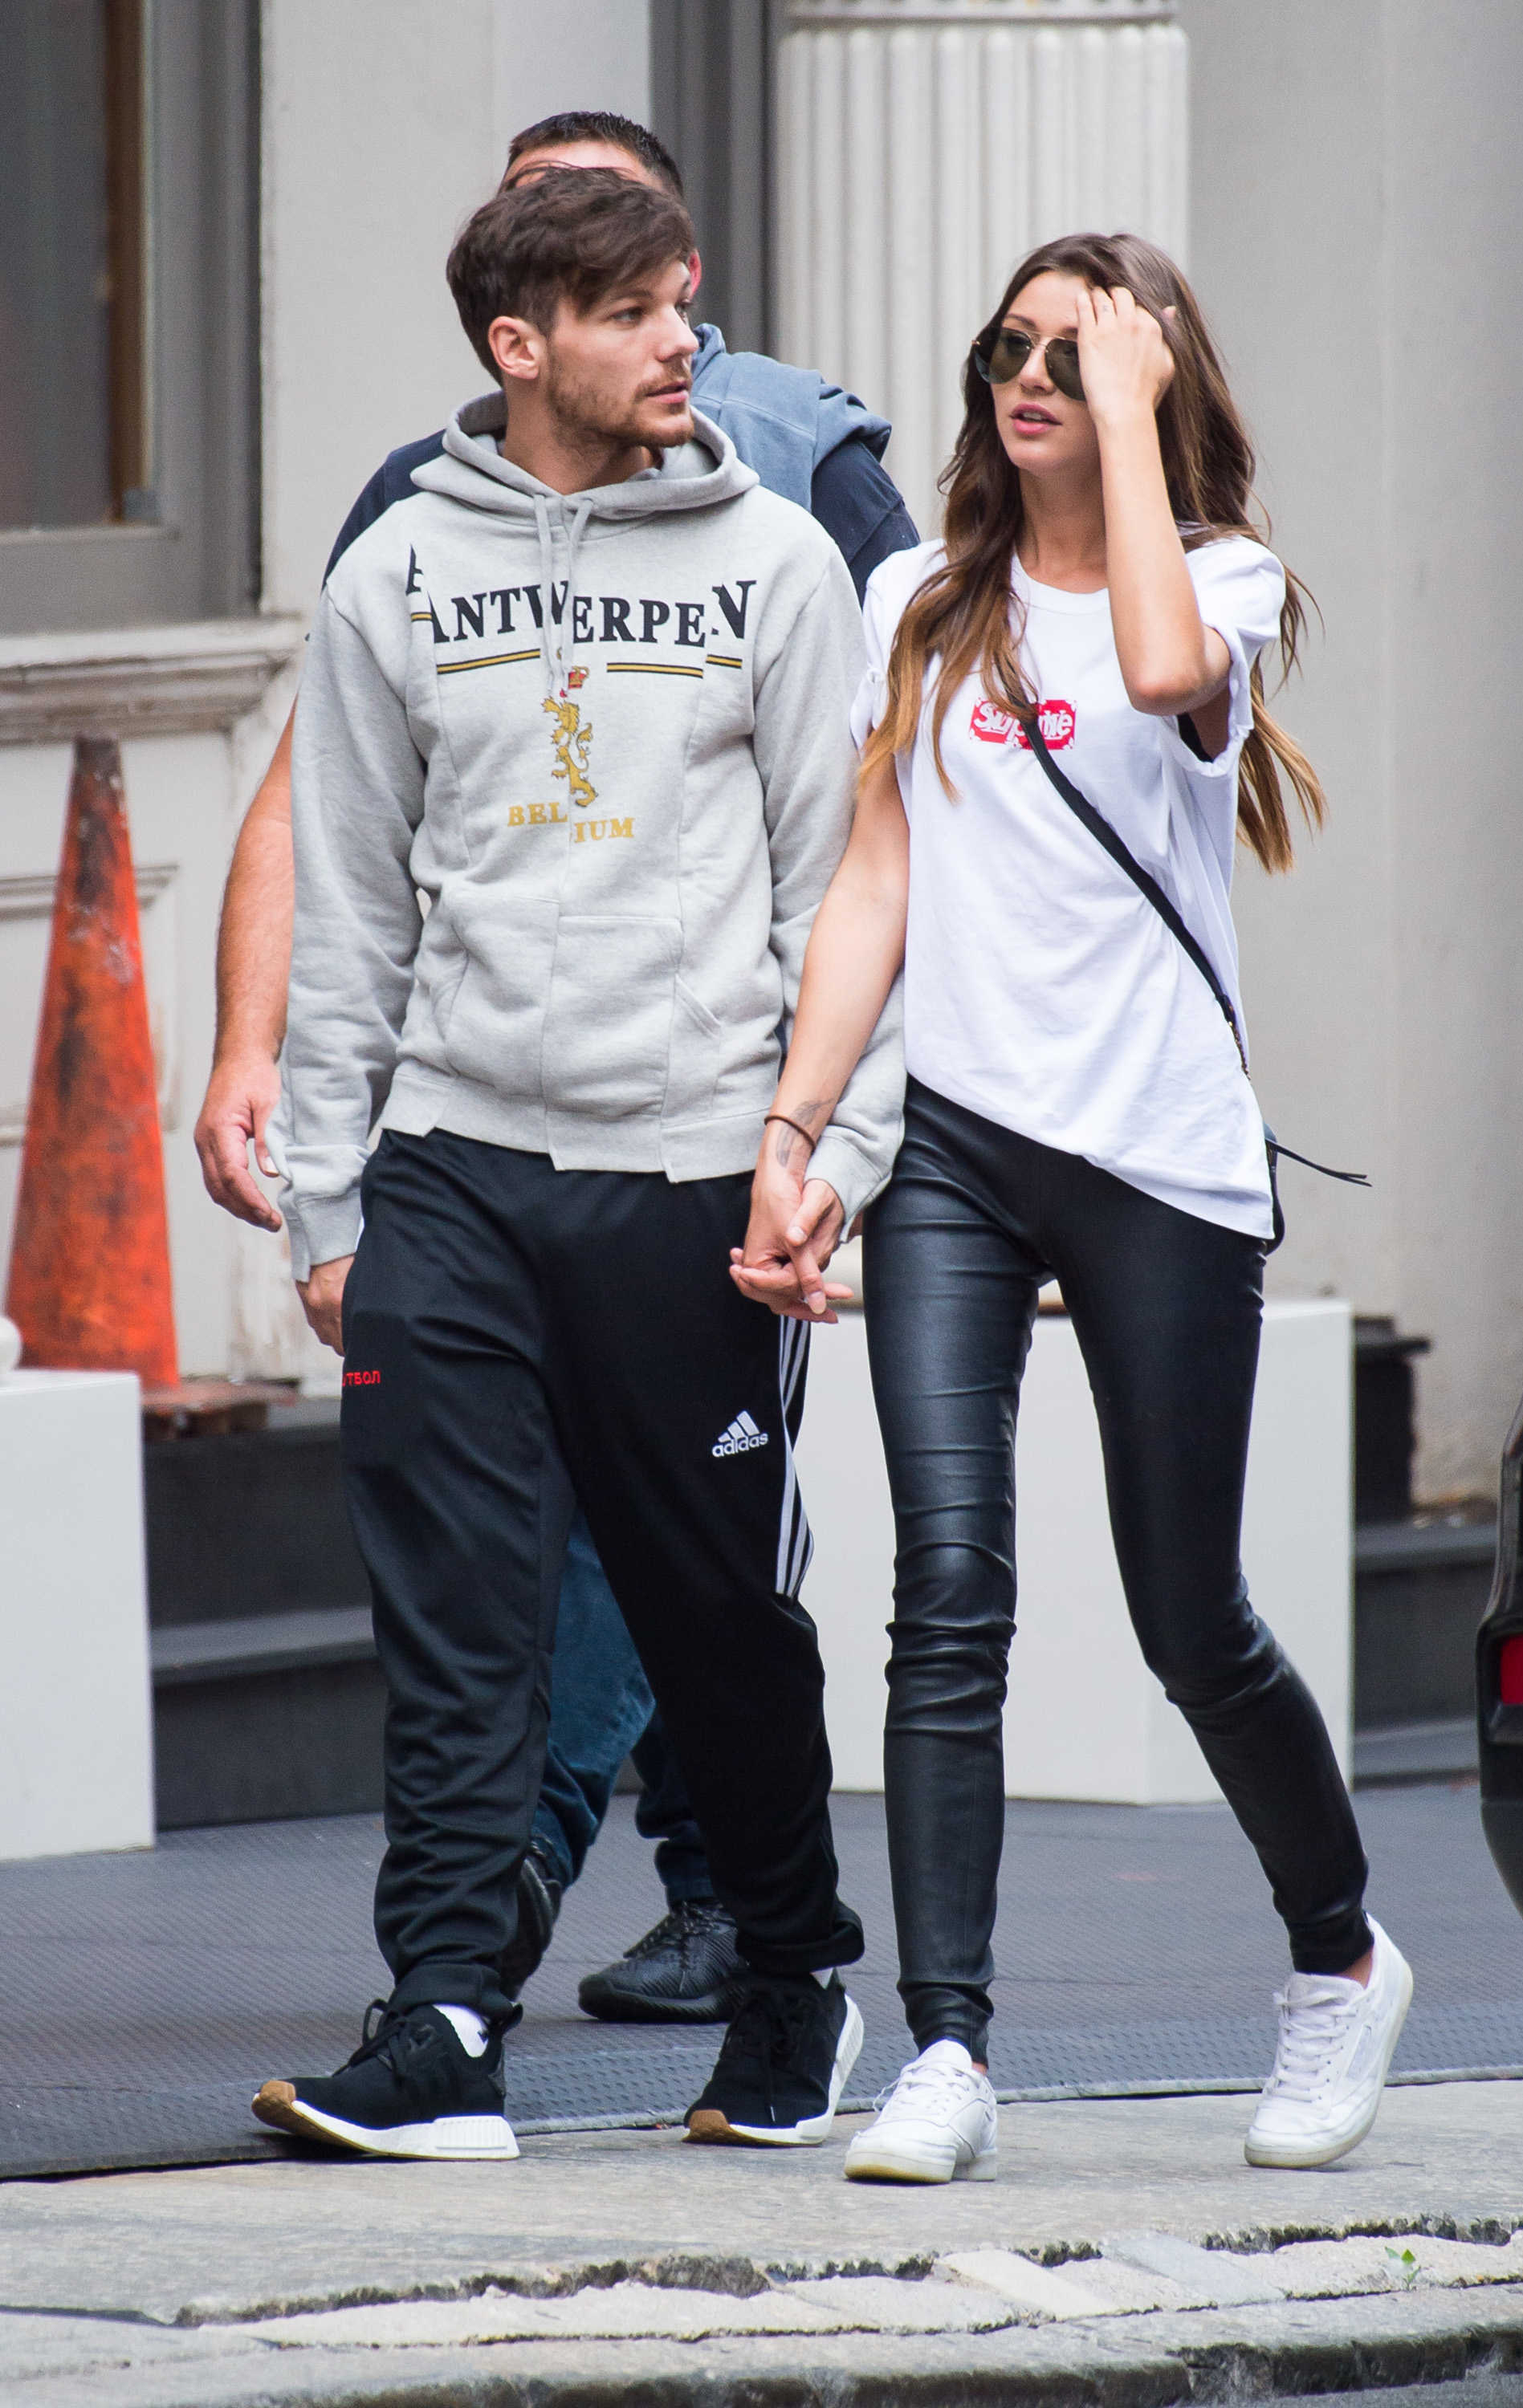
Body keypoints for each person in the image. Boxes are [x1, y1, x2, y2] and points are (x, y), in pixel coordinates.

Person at [194, 109, 918, 2027]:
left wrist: (825, 1151)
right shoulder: (399, 565)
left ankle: (790, 1969)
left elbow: (850, 893)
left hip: (690, 1172)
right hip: (450, 1166)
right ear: (520, 343)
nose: (684, 340)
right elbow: (350, 893)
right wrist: (329, 1202)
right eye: (632, 312)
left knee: (708, 1613)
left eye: (679, 300)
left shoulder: (781, 558)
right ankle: (443, 2011)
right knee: (457, 1616)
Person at [734, 231, 1414, 2185]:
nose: (1029, 377)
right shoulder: (914, 603)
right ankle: (945, 2049)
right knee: (944, 1594)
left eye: (1075, 354)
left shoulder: (1220, 584)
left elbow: (1161, 675)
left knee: (1188, 1615)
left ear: (1147, 387)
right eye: (1010, 348)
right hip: (955, 1147)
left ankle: (1337, 1956)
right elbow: (873, 879)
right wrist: (800, 1129)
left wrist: (1128, 415)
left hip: (1156, 1156)